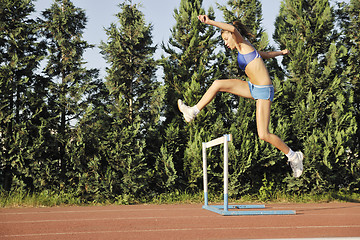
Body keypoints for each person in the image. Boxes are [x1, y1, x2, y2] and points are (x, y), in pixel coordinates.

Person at [178, 15, 303, 178]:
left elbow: (232, 29)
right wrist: (281, 52)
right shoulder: (245, 47)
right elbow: (263, 55)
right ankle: (193, 111)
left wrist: (209, 22)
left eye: (225, 39)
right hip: (252, 87)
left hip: (264, 90)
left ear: (232, 36)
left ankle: (294, 156)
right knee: (217, 84)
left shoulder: (240, 42)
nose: (225, 42)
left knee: (263, 134)